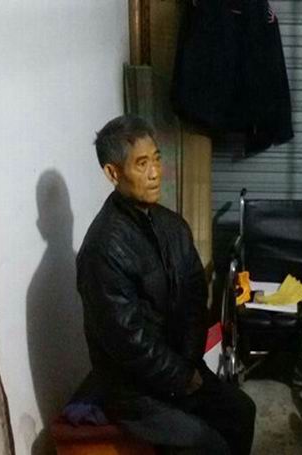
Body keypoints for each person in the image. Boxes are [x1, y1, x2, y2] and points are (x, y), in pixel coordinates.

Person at [77, 115, 255, 455]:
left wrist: (189, 362)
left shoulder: (172, 225)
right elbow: (127, 340)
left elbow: (195, 297)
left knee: (241, 411)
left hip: (180, 368)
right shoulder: (104, 248)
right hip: (135, 390)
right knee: (207, 445)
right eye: (141, 164)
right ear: (113, 173)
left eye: (157, 159)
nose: (155, 173)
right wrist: (181, 377)